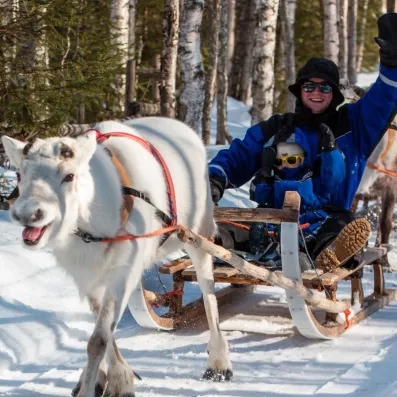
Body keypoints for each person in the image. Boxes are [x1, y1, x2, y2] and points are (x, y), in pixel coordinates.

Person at [209, 13, 397, 271]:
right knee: (222, 229)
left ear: (335, 93)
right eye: (310, 86)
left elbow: (383, 99)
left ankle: (322, 256)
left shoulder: (353, 126)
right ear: (300, 91)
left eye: (325, 87)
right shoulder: (278, 127)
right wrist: (215, 179)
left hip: (327, 219)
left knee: (338, 233)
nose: (317, 93)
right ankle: (216, 244)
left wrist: (392, 62)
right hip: (271, 220)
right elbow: (240, 155)